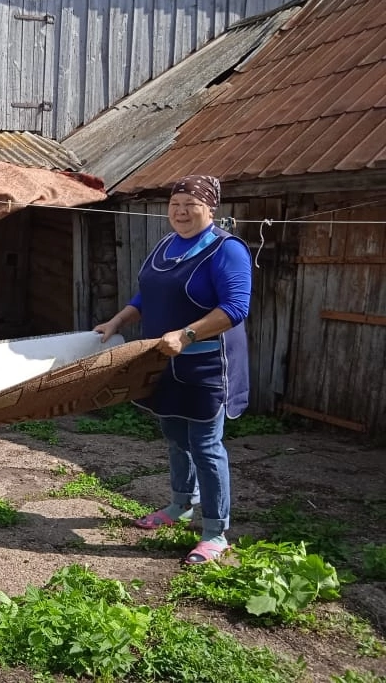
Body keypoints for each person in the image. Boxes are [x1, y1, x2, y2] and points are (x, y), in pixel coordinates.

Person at [94, 175, 251, 565]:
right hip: (163, 360)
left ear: (210, 208)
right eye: (175, 204)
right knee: (173, 432)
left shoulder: (226, 250)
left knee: (205, 445)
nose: (181, 212)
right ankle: (181, 504)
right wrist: (117, 322)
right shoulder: (166, 246)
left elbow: (235, 308)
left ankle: (216, 532)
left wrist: (187, 334)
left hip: (206, 365)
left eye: (190, 204)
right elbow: (148, 293)